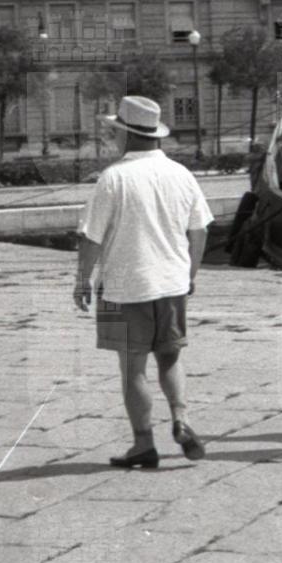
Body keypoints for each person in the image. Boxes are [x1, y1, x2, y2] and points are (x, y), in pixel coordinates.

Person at [74, 95, 213, 469]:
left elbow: (91, 238)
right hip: (172, 282)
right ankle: (181, 418)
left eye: (115, 132)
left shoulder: (113, 178)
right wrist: (189, 275)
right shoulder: (181, 174)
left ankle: (143, 444)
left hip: (124, 285)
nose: (113, 138)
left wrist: (82, 280)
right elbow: (199, 231)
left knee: (132, 368)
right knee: (170, 357)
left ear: (127, 134)